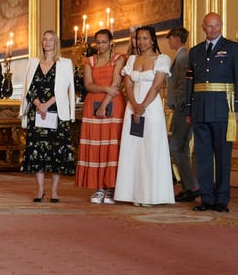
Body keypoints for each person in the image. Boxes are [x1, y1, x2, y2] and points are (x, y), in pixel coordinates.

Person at [187, 12, 238, 213]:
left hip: (223, 109)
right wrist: (189, 109)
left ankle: (221, 200)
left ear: (222, 25)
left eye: (217, 26)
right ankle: (206, 198)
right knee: (202, 156)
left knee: (222, 156)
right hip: (200, 109)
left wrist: (237, 108)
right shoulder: (194, 52)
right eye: (210, 26)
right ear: (203, 27)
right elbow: (190, 83)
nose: (214, 30)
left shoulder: (233, 48)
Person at [114, 26, 174, 206]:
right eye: (139, 39)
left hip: (151, 109)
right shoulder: (132, 59)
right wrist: (134, 105)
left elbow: (156, 86)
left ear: (153, 40)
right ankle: (131, 194)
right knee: (133, 149)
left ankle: (151, 195)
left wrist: (143, 107)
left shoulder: (162, 59)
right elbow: (128, 85)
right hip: (132, 108)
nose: (142, 42)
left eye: (145, 38)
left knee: (151, 149)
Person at [19, 30, 76, 203]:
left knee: (56, 152)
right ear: (42, 43)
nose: (47, 42)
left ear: (56, 43)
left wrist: (47, 104)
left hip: (57, 113)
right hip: (36, 114)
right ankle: (40, 190)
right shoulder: (33, 62)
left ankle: (55, 191)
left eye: (51, 39)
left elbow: (65, 89)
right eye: (45, 39)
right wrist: (38, 104)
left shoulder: (65, 63)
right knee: (38, 152)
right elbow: (29, 88)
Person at [75, 29, 125, 204]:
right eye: (98, 42)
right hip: (92, 105)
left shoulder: (119, 59)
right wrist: (104, 89)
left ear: (111, 42)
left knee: (112, 146)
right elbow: (88, 85)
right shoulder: (89, 61)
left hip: (113, 105)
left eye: (104, 42)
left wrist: (104, 105)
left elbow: (116, 84)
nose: (101, 45)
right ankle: (98, 188)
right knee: (96, 146)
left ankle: (111, 188)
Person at [166, 27, 199, 202]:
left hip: (182, 108)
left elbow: (182, 85)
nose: (168, 42)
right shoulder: (181, 56)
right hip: (183, 107)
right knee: (182, 147)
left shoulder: (183, 57)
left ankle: (193, 186)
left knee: (175, 147)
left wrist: (181, 106)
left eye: (169, 38)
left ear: (177, 38)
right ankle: (188, 188)